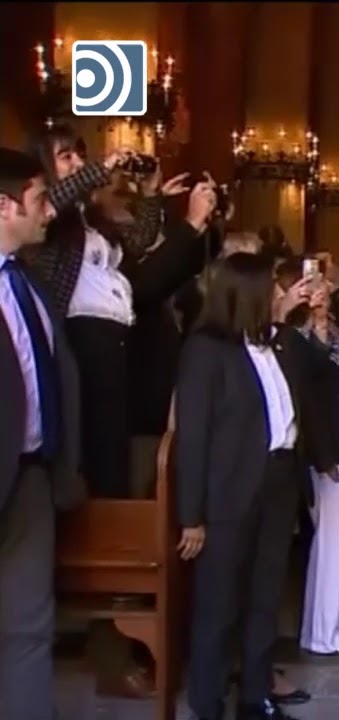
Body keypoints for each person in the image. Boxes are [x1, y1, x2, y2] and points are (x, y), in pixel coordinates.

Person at [174, 252, 339, 720]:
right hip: (228, 490)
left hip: (279, 479)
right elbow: (193, 436)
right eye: (270, 288)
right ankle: (207, 703)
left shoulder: (280, 340)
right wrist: (191, 516)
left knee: (265, 596)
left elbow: (319, 367)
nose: (277, 293)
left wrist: (318, 320)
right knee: (218, 603)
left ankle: (255, 696)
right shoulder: (207, 349)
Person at [0, 146, 81, 720]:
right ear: (4, 206)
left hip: (29, 477)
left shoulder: (30, 282)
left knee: (29, 626)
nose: (50, 211)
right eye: (40, 199)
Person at [274, 258, 339, 657]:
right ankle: (320, 632)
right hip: (329, 443)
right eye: (314, 285)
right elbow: (308, 396)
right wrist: (322, 453)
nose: (324, 291)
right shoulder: (298, 336)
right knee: (329, 538)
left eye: (325, 284)